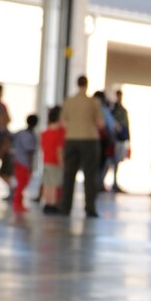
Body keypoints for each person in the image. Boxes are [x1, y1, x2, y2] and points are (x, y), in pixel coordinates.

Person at [60, 73, 105, 218]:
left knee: (68, 174)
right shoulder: (93, 102)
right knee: (90, 175)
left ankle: (65, 206)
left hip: (71, 138)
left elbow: (63, 122)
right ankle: (90, 208)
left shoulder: (69, 101)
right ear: (87, 84)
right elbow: (101, 123)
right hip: (89, 139)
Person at [10, 113, 38, 216]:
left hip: (18, 160)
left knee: (22, 183)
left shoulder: (21, 133)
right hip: (23, 162)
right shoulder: (29, 135)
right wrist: (30, 165)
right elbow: (29, 151)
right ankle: (17, 203)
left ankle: (19, 202)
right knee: (22, 183)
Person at [40, 105, 65, 213]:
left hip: (46, 161)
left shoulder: (45, 133)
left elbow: (43, 147)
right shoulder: (60, 133)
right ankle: (53, 204)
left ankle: (47, 203)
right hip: (55, 162)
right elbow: (59, 150)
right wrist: (61, 162)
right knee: (54, 184)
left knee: (47, 183)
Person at [108, 88, 131, 191]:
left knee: (118, 161)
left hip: (121, 138)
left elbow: (127, 124)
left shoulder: (123, 109)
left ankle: (115, 182)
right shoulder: (113, 109)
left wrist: (128, 139)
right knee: (112, 160)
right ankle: (111, 182)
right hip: (115, 138)